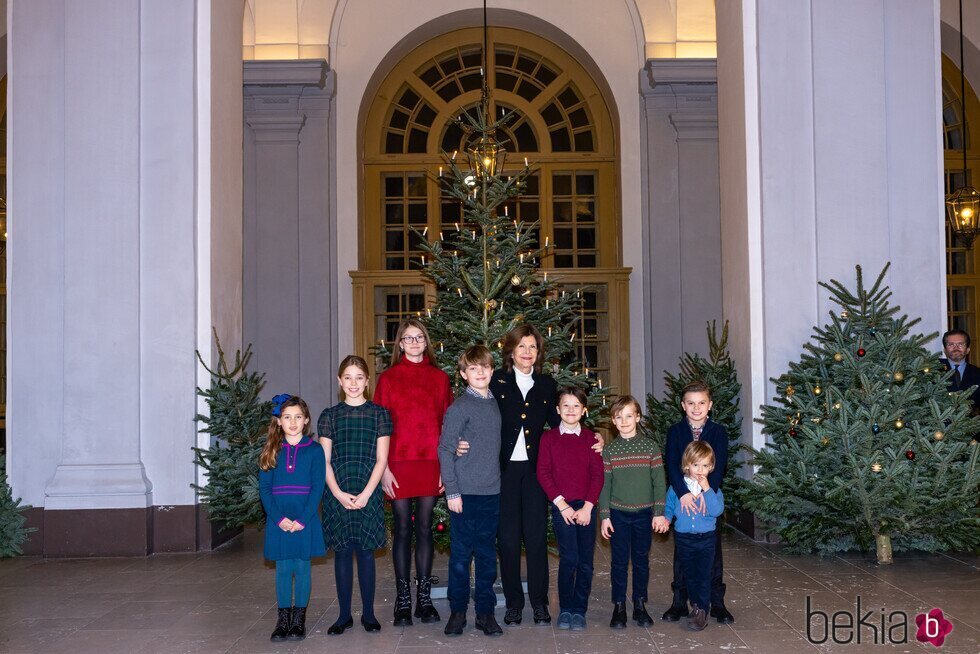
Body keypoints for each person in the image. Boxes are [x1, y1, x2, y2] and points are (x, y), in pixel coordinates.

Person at [374, 318, 454, 626]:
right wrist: (383, 470)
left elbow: (447, 427)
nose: (415, 342)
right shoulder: (389, 379)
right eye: (408, 338)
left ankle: (424, 599)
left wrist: (445, 468)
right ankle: (402, 600)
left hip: (430, 464)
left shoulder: (440, 379)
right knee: (402, 530)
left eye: (419, 337)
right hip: (397, 464)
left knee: (424, 529)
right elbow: (380, 427)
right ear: (400, 343)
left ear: (426, 342)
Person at [319, 356, 392, 635]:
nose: (353, 383)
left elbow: (381, 459)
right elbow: (324, 460)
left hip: (368, 490)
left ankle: (370, 614)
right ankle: (344, 615)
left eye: (359, 377)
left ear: (367, 381)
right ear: (340, 381)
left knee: (365, 553)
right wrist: (337, 493)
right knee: (341, 553)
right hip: (337, 490)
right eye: (347, 377)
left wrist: (366, 493)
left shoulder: (379, 414)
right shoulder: (330, 415)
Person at [437, 345, 503, 637]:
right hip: (463, 494)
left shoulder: (496, 403)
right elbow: (445, 448)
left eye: (485, 367)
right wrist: (452, 491)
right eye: (473, 368)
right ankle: (458, 611)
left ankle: (485, 613)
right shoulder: (459, 407)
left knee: (488, 556)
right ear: (464, 374)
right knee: (461, 557)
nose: (480, 373)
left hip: (492, 493)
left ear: (491, 370)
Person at [662, 380, 733, 624]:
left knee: (712, 556)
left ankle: (717, 604)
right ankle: (679, 602)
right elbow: (671, 464)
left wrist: (706, 493)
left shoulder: (718, 432)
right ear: (683, 406)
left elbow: (720, 464)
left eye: (701, 402)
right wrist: (682, 493)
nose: (696, 407)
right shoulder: (676, 431)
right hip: (683, 499)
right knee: (682, 555)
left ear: (709, 405)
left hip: (707, 499)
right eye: (690, 403)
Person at [598, 395, 670, 630]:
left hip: (644, 514)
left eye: (629, 415)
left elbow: (659, 482)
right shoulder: (609, 451)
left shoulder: (650, 447)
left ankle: (640, 604)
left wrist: (659, 512)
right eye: (619, 417)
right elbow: (605, 485)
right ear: (613, 421)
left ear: (638, 418)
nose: (625, 420)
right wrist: (605, 515)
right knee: (618, 562)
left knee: (641, 561)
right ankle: (619, 606)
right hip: (618, 514)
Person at [258, 394, 326, 643]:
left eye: (298, 417)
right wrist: (278, 519)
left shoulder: (314, 450)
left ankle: (299, 619)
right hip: (280, 520)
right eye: (287, 417)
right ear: (279, 421)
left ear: (306, 420)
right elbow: (264, 490)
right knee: (283, 569)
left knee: (302, 566)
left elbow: (318, 487)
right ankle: (283, 619)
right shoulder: (271, 450)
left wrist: (304, 519)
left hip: (304, 519)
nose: (293, 422)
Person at [536, 387, 604, 631]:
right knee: (569, 558)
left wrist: (588, 507)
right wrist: (561, 504)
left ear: (584, 410)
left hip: (586, 506)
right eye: (566, 405)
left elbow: (597, 476)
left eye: (576, 406)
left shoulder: (591, 440)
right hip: (561, 506)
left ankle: (579, 609)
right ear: (557, 409)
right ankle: (565, 608)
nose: (571, 410)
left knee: (585, 561)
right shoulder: (548, 438)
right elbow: (543, 473)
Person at [663, 441, 725, 631]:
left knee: (704, 575)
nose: (700, 470)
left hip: (706, 539)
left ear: (711, 467)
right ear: (686, 466)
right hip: (684, 538)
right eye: (696, 465)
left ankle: (702, 611)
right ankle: (696, 606)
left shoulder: (713, 490)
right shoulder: (677, 488)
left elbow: (716, 511)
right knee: (689, 575)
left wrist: (707, 490)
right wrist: (665, 520)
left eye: (705, 465)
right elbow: (669, 506)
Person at [941, 329, 980, 409]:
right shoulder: (933, 370)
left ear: (968, 349)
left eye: (960, 344)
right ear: (945, 350)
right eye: (951, 344)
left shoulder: (978, 373)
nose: (956, 348)